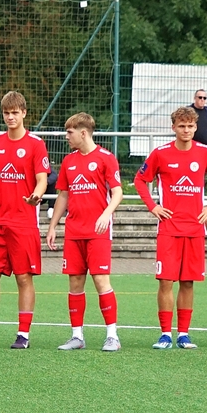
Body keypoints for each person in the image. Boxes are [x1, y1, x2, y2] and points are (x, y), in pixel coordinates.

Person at [0, 91, 51, 349]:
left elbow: (42, 179)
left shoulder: (36, 144)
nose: (10, 117)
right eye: (6, 113)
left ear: (24, 113)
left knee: (24, 278)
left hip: (24, 223)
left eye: (15, 112)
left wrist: (37, 195)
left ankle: (23, 334)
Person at [134, 106, 207, 350]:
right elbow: (140, 179)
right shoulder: (160, 153)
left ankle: (183, 334)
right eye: (182, 126)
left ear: (196, 127)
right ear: (173, 127)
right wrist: (153, 206)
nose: (186, 130)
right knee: (166, 281)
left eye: (190, 126)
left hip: (194, 228)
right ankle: (165, 334)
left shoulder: (204, 153)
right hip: (169, 228)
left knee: (188, 282)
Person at [45, 113, 123, 351]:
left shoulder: (106, 158)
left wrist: (105, 214)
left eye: (69, 132)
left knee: (100, 280)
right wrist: (53, 226)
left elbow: (117, 192)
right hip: (74, 231)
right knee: (75, 282)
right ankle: (77, 336)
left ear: (83, 133)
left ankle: (112, 336)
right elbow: (63, 195)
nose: (66, 136)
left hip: (98, 231)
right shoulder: (69, 161)